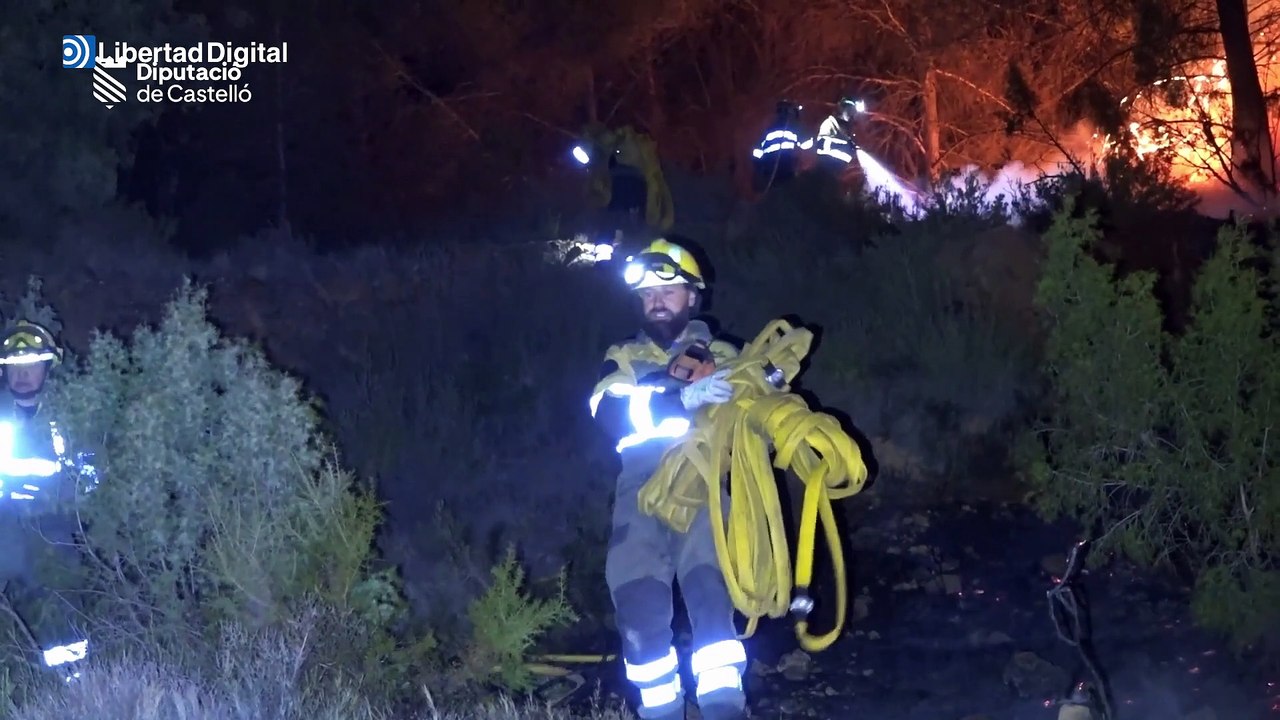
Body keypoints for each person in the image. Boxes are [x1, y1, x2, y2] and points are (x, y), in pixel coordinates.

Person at [587, 239, 748, 720]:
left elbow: (750, 416)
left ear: (692, 296)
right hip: (639, 495)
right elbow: (609, 412)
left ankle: (724, 710)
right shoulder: (623, 356)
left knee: (712, 597)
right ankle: (662, 713)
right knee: (637, 605)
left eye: (668, 291)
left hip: (704, 488)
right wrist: (679, 399)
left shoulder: (726, 354)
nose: (656, 301)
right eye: (648, 294)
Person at [0, 320, 92, 679]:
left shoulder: (70, 416)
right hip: (4, 524)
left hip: (53, 526)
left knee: (63, 598)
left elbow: (91, 475)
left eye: (31, 365)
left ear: (48, 368)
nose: (22, 375)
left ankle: (74, 681)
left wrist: (63, 496)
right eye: (14, 367)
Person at [752, 100, 802, 191]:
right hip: (780, 165)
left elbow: (758, 149)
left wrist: (758, 165)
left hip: (773, 165)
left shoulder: (770, 128)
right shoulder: (792, 129)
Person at [809, 96, 864, 167]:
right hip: (827, 167)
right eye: (850, 110)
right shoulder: (829, 123)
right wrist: (843, 146)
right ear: (842, 109)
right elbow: (820, 144)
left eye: (853, 111)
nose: (852, 114)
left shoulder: (849, 129)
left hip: (841, 169)